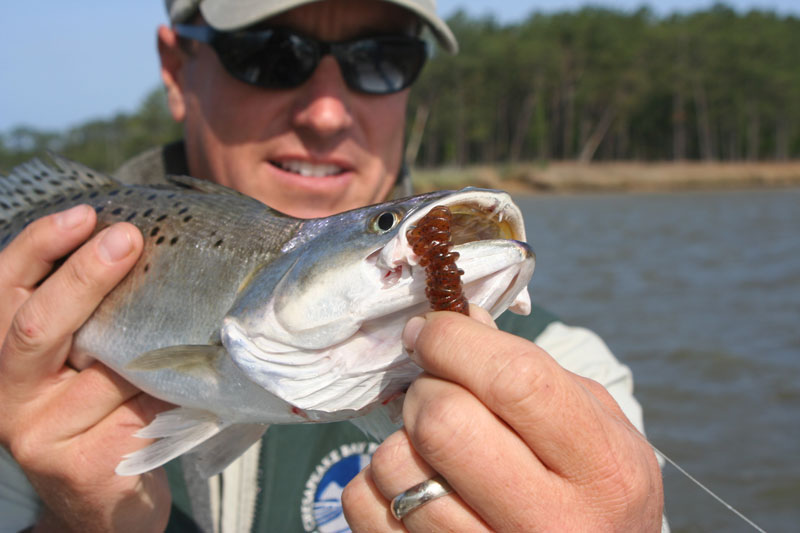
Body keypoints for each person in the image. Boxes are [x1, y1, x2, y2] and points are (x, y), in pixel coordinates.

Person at [0, 0, 665, 531]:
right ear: (177, 72)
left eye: (380, 59)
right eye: (271, 54)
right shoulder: (16, 327)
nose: (325, 111)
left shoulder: (571, 365)